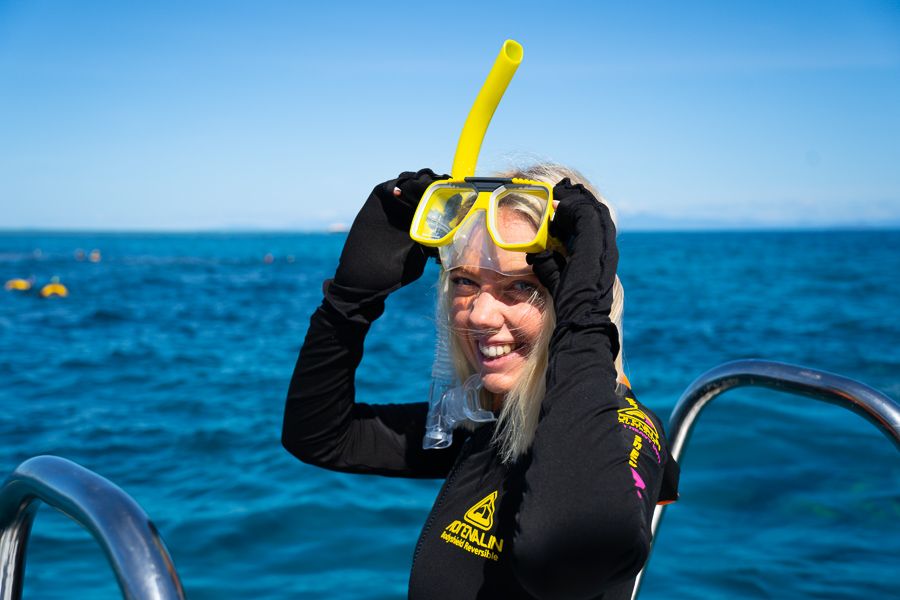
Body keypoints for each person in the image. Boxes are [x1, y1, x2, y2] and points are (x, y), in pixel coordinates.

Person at [282, 164, 679, 599]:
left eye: (521, 288)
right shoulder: (494, 418)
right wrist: (349, 301)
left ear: (577, 293)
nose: (479, 315)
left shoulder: (626, 432)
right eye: (465, 282)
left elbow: (563, 561)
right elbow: (321, 436)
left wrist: (584, 322)